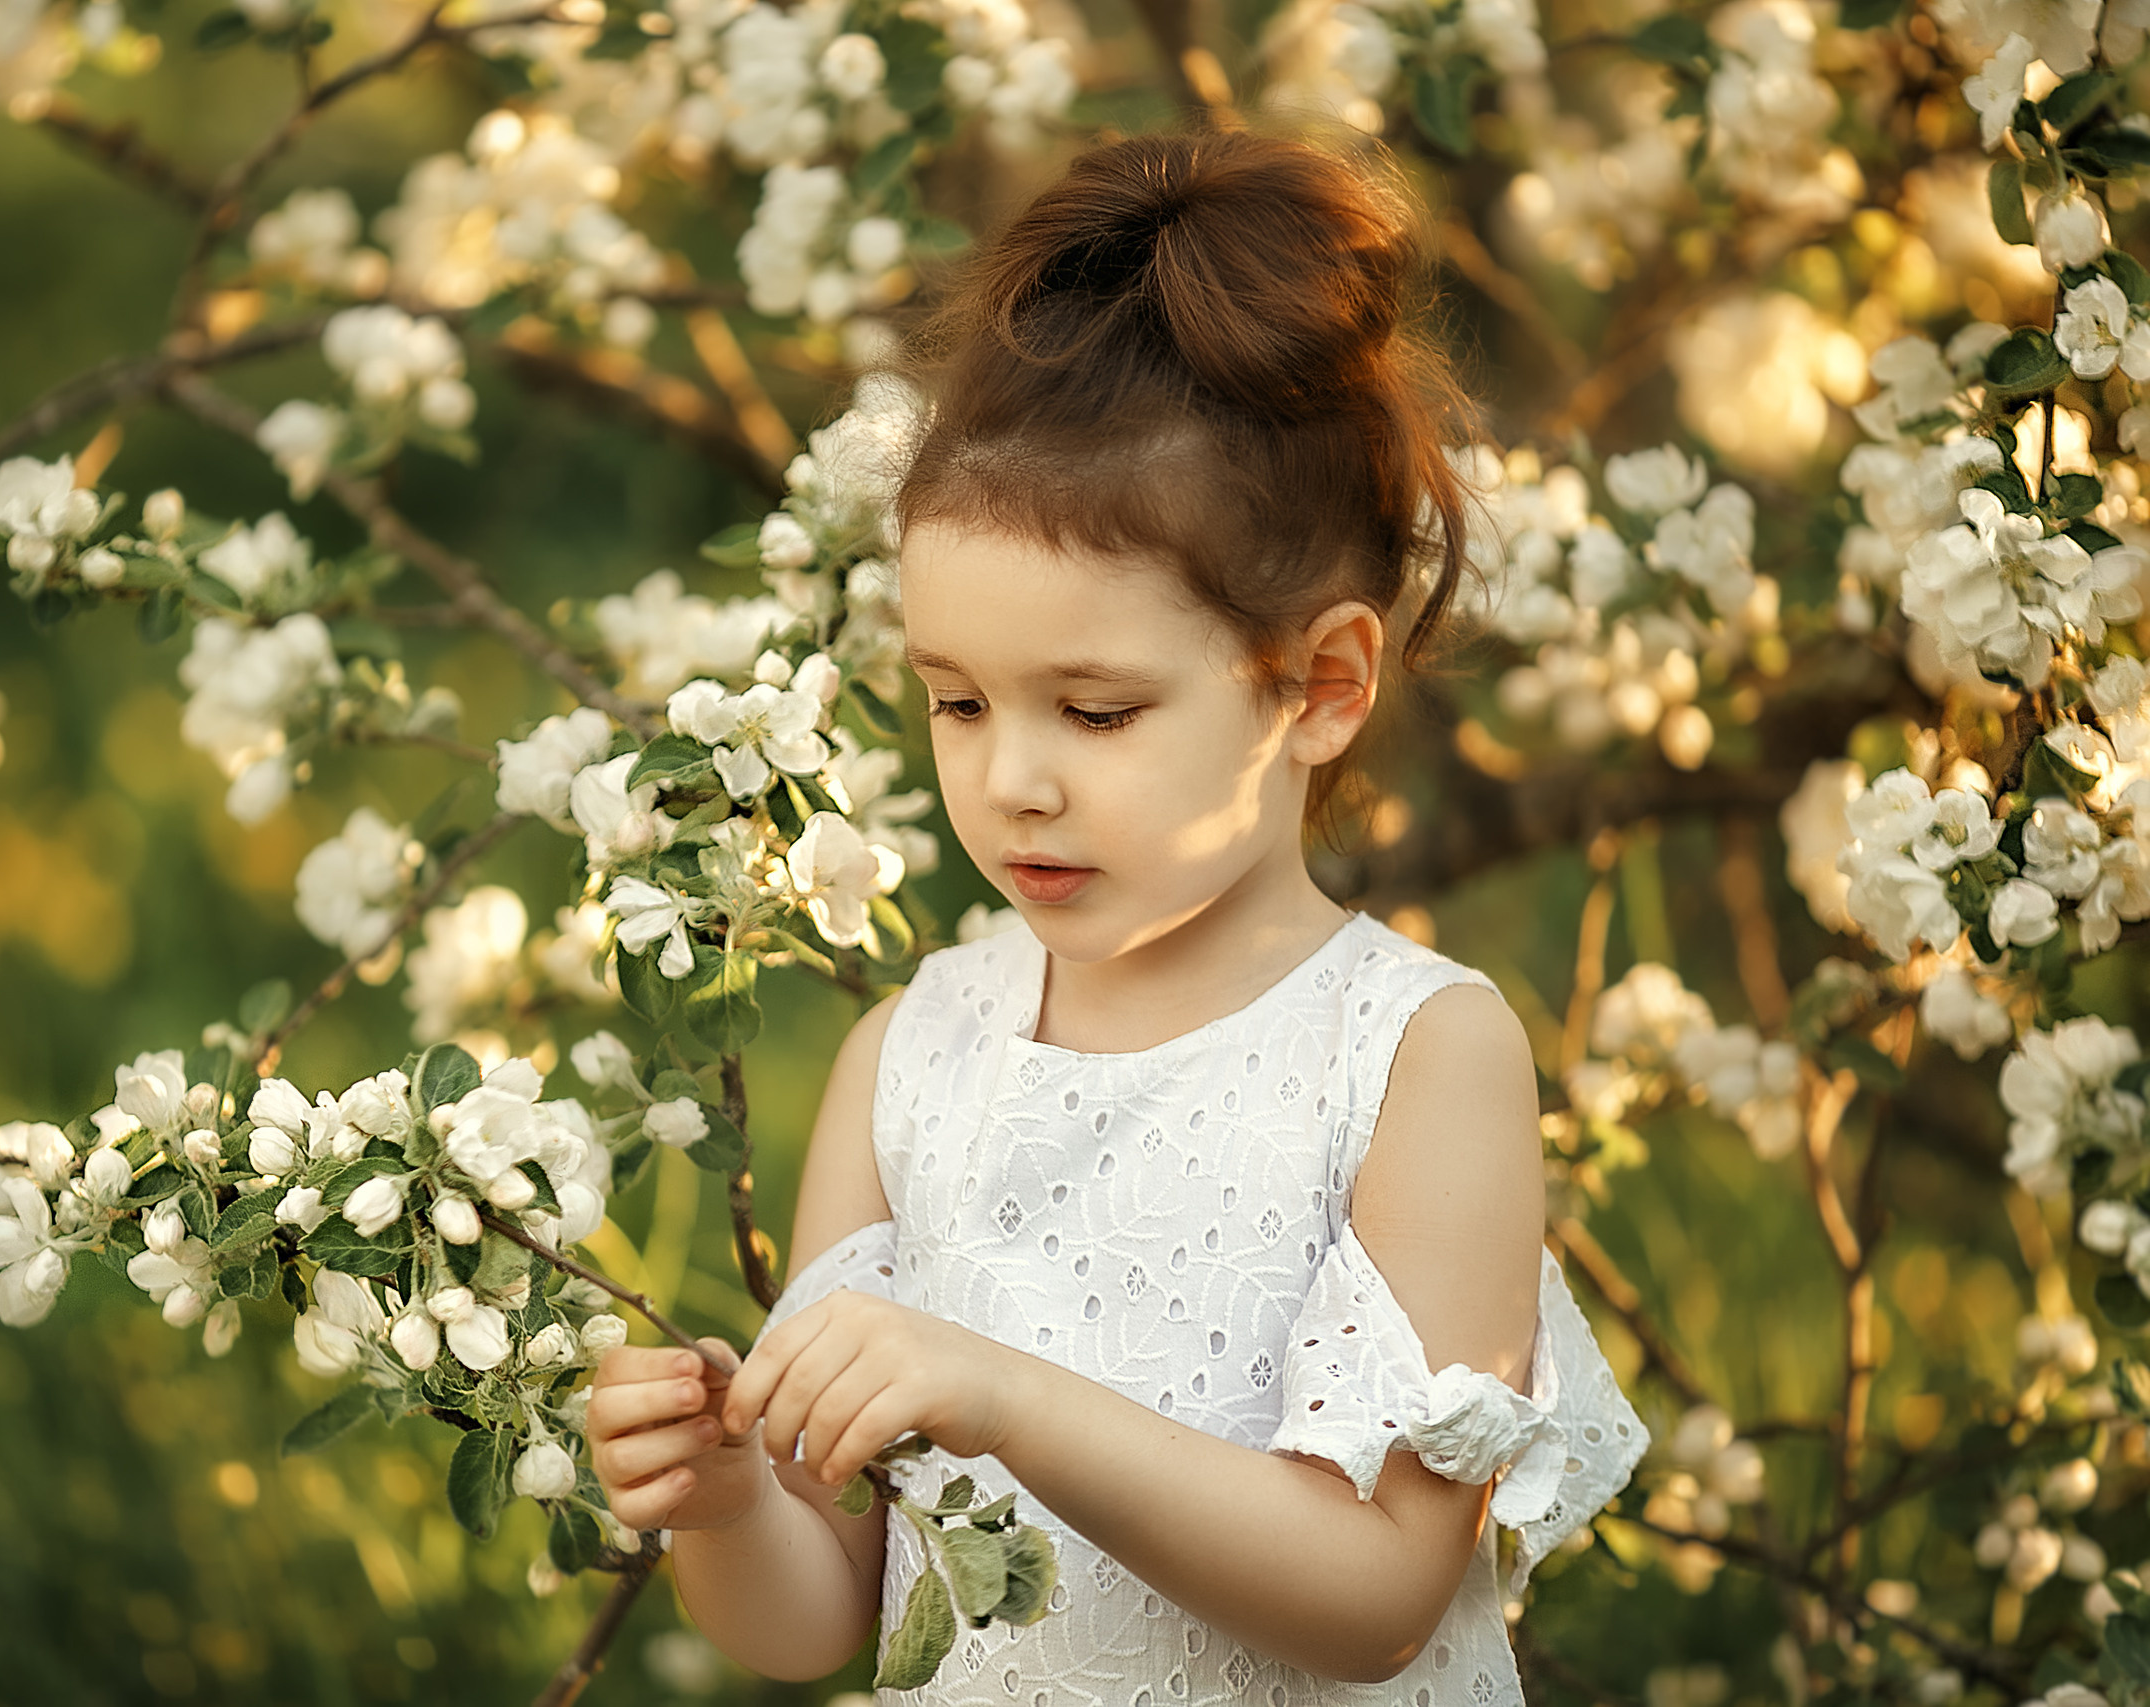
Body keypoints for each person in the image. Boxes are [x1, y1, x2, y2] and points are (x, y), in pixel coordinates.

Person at [584, 128, 1646, 1704]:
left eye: (1093, 711)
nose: (1010, 780)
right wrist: (728, 1497)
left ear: (1320, 685)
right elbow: (823, 1620)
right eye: (955, 702)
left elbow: (1379, 1596)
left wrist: (1007, 1396)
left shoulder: (1414, 1058)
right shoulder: (915, 1062)